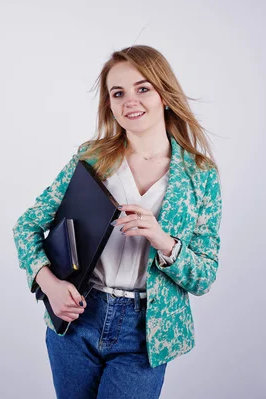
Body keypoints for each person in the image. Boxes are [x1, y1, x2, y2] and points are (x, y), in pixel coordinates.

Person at [12, 45, 222, 399]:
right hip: (79, 317)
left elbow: (204, 276)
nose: (130, 102)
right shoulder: (92, 158)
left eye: (143, 88)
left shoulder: (200, 175)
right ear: (109, 104)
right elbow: (27, 226)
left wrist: (162, 240)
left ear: (164, 94)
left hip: (146, 333)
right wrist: (47, 283)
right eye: (118, 93)